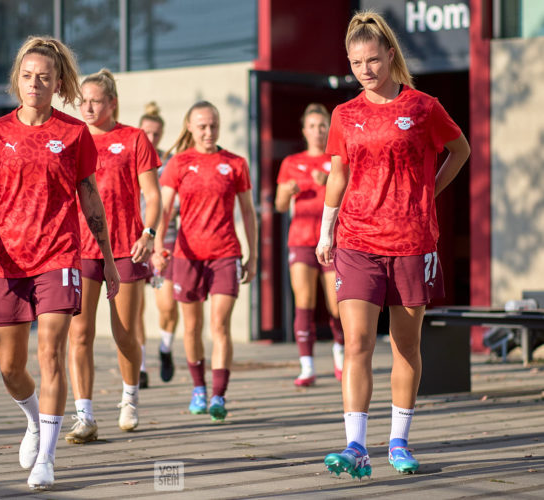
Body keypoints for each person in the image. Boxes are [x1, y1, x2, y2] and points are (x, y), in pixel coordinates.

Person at [0, 36, 119, 491]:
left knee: (51, 352)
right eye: (28, 76)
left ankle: (46, 457)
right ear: (17, 80)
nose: (35, 83)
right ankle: (32, 419)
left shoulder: (73, 134)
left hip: (58, 256)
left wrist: (107, 259)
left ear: (58, 82)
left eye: (44, 77)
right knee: (10, 367)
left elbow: (91, 200)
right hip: (5, 260)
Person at [317, 11, 470, 478]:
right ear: (349, 62)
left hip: (412, 242)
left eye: (373, 59)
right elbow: (338, 174)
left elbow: (460, 150)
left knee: (405, 346)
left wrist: (429, 192)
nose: (366, 69)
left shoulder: (424, 107)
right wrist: (326, 230)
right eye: (357, 62)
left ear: (389, 55)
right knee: (358, 341)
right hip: (357, 240)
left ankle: (399, 442)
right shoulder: (345, 114)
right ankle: (356, 446)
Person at [65, 69, 161, 443]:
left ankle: (130, 397)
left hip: (126, 248)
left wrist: (149, 234)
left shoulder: (134, 139)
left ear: (112, 103)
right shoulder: (71, 139)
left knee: (124, 333)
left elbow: (152, 195)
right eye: (83, 101)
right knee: (81, 333)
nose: (87, 107)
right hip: (81, 249)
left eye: (95, 101)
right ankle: (84, 416)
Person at [153, 101, 258, 422]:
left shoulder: (235, 164)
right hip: (188, 256)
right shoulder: (179, 163)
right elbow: (164, 209)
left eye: (213, 125)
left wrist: (253, 256)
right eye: (202, 126)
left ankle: (218, 395)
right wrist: (157, 245)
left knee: (219, 326)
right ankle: (198, 387)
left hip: (226, 253)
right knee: (193, 327)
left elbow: (248, 212)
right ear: (189, 127)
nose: (208, 131)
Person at [275, 103, 344, 387]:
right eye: (312, 126)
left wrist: (329, 181)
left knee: (337, 305)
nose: (318, 131)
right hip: (301, 240)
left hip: (333, 240)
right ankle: (307, 367)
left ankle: (341, 356)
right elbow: (279, 205)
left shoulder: (338, 158)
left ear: (329, 128)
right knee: (304, 302)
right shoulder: (291, 162)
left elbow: (352, 197)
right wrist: (287, 192)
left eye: (322, 125)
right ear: (304, 130)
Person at [137, 101, 180, 385]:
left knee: (167, 306)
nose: (151, 139)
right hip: (134, 242)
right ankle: (140, 366)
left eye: (156, 133)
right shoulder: (131, 157)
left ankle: (165, 348)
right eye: (146, 133)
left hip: (166, 241)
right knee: (134, 309)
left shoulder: (171, 161)